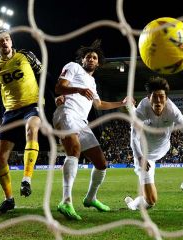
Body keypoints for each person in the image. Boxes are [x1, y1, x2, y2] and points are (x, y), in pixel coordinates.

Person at [53, 39, 130, 220]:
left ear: (98, 62)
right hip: (67, 113)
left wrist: (122, 103)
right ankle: (66, 201)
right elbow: (59, 87)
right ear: (82, 60)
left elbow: (99, 104)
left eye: (94, 57)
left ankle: (91, 198)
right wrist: (78, 90)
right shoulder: (73, 67)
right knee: (74, 150)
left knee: (101, 164)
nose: (91, 59)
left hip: (82, 121)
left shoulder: (93, 82)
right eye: (88, 57)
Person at [0, 30, 43, 215]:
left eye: (6, 39)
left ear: (11, 41)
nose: (4, 43)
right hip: (10, 112)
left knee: (32, 128)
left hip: (31, 105)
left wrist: (56, 98)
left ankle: (26, 179)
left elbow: (44, 76)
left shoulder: (26, 55)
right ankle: (8, 199)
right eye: (0, 41)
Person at [125, 77, 183, 210]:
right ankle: (132, 204)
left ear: (166, 98)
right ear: (148, 97)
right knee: (151, 201)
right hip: (144, 153)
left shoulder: (172, 109)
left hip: (162, 149)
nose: (158, 100)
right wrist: (140, 157)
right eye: (155, 97)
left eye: (161, 97)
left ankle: (130, 107)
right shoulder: (143, 108)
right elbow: (133, 137)